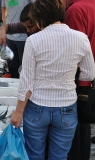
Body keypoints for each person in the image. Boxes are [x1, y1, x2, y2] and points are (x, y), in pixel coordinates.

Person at [10, 0, 95, 160]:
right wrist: (69, 78)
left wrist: (18, 111)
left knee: (34, 155)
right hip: (67, 106)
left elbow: (26, 81)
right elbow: (89, 74)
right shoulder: (81, 38)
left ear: (39, 18)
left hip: (37, 106)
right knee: (60, 156)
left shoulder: (33, 40)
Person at [63, 0, 95, 159]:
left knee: (72, 131)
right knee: (84, 127)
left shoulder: (75, 11)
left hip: (79, 80)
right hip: (89, 81)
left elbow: (72, 53)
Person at [2, 0, 32, 78]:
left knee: (24, 69)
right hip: (10, 37)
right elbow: (3, 8)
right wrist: (3, 25)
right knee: (12, 68)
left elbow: (35, 7)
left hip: (23, 37)